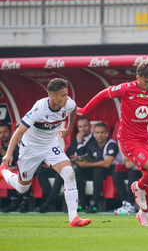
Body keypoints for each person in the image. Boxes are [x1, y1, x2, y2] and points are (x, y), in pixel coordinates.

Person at [77, 61, 148, 226]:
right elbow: (103, 94)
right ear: (138, 78)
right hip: (129, 141)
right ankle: (138, 186)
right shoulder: (126, 88)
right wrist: (85, 110)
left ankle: (143, 214)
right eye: (145, 81)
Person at [0, 78, 91, 227]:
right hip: (31, 149)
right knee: (23, 187)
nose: (66, 98)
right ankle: (3, 171)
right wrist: (9, 154)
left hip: (50, 145)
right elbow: (18, 132)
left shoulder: (68, 104)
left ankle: (74, 218)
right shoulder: (39, 109)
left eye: (67, 94)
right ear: (52, 96)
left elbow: (73, 109)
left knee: (69, 173)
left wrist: (69, 128)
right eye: (63, 95)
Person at [35, 116, 95, 213]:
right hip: (71, 167)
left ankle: (49, 202)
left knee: (64, 172)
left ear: (90, 126)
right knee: (41, 170)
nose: (82, 129)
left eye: (85, 126)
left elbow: (86, 158)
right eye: (80, 127)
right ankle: (50, 199)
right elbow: (66, 155)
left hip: (84, 171)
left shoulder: (94, 140)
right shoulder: (75, 139)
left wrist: (80, 143)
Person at [74, 122, 122, 213]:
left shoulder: (112, 144)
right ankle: (81, 202)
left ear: (107, 133)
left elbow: (107, 163)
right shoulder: (92, 144)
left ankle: (94, 202)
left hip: (112, 172)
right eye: (97, 133)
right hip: (97, 171)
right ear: (94, 133)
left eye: (102, 132)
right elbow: (84, 158)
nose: (100, 135)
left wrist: (87, 164)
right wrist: (79, 162)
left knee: (98, 171)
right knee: (79, 171)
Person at [0, 123, 30, 213]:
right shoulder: (14, 147)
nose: (21, 135)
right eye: (19, 133)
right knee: (8, 172)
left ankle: (25, 202)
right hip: (15, 171)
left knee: (27, 172)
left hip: (27, 171)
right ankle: (14, 202)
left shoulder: (31, 146)